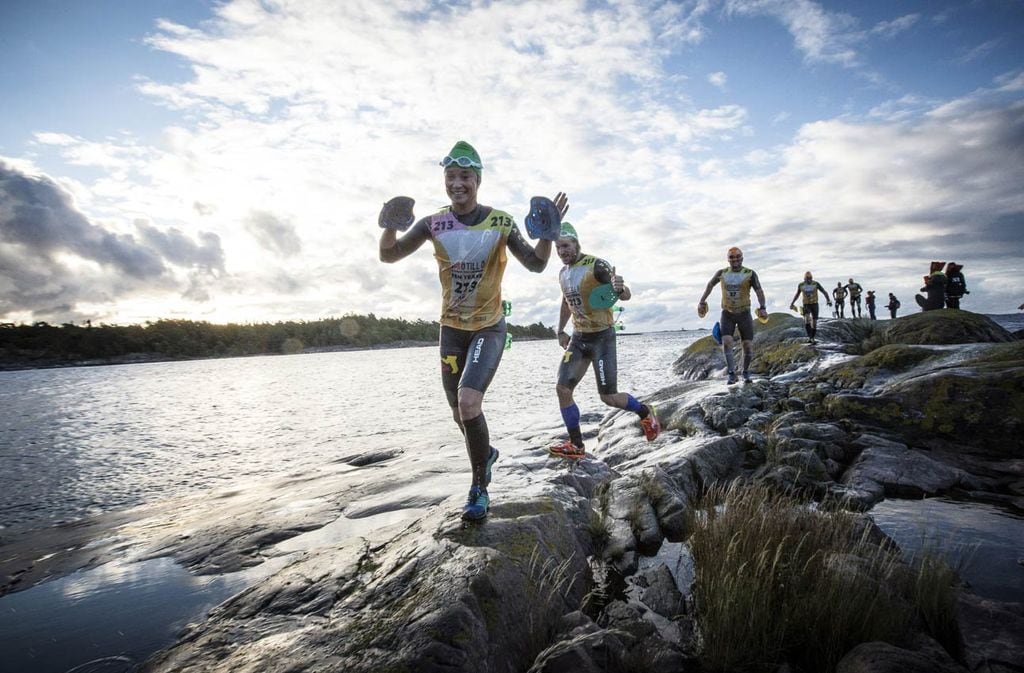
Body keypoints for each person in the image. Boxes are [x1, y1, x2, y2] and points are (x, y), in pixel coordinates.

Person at [379, 140, 567, 521]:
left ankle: (479, 487)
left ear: (477, 179)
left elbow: (535, 264)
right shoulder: (434, 223)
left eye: (464, 176)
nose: (456, 183)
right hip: (451, 330)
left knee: (468, 403)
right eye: (450, 176)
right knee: (458, 413)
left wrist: (548, 231)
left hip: (489, 328)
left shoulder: (500, 222)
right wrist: (388, 226)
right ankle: (486, 454)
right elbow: (390, 254)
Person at [548, 223, 660, 458]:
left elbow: (623, 293)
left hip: (602, 338)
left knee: (608, 397)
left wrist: (621, 289)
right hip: (578, 338)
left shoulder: (596, 266)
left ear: (576, 244)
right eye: (558, 248)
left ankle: (644, 413)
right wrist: (560, 330)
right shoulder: (563, 273)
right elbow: (566, 303)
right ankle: (577, 445)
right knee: (562, 388)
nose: (561, 252)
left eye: (565, 246)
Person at [697, 247, 768, 384]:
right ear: (728, 259)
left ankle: (745, 372)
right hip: (727, 313)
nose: (735, 259)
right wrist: (702, 301)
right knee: (727, 342)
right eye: (731, 257)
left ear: (742, 257)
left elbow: (759, 290)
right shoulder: (721, 273)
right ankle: (731, 374)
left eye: (737, 256)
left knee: (747, 345)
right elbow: (710, 285)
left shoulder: (750, 273)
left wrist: (763, 307)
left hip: (744, 313)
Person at [789, 271, 832, 344]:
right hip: (806, 304)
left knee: (814, 323)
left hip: (815, 304)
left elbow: (824, 291)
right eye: (807, 278)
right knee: (807, 319)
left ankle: (812, 337)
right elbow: (797, 294)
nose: (809, 280)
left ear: (812, 278)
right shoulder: (801, 285)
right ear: (804, 278)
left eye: (810, 278)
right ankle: (810, 337)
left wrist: (828, 300)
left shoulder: (816, 283)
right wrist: (792, 303)